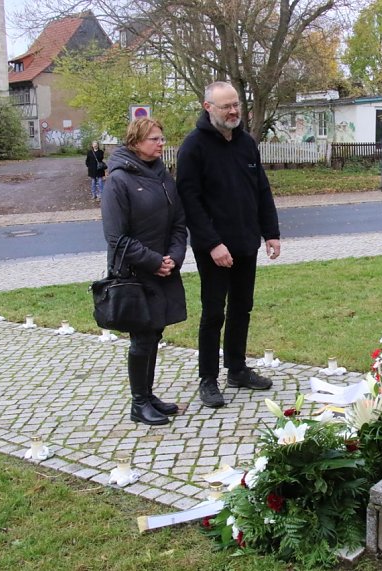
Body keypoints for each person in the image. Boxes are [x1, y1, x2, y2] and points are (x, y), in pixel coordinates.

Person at [176, 81, 281, 409]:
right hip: (214, 249)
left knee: (242, 307)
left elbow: (261, 189)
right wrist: (212, 244)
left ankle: (236, 368)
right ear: (209, 107)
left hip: (246, 242)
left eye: (236, 104)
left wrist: (271, 232)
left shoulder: (246, 143)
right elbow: (189, 202)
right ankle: (207, 379)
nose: (234, 111)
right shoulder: (193, 147)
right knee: (213, 312)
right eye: (226, 106)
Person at [101, 118, 187, 426]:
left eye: (162, 138)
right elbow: (116, 238)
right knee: (141, 337)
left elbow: (179, 222)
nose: (161, 143)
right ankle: (139, 402)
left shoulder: (163, 175)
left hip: (163, 268)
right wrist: (153, 261)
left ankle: (149, 396)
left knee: (154, 333)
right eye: (154, 139)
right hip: (135, 272)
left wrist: (174, 257)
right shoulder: (118, 180)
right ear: (136, 143)